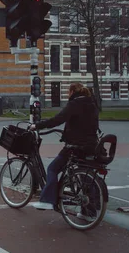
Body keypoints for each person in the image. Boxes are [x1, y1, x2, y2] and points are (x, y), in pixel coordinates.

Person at [30, 82, 100, 221]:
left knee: (53, 169)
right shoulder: (92, 104)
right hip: (91, 145)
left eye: (68, 92)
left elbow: (58, 119)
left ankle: (47, 200)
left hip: (75, 146)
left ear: (73, 91)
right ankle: (91, 210)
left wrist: (37, 125)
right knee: (85, 176)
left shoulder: (74, 104)